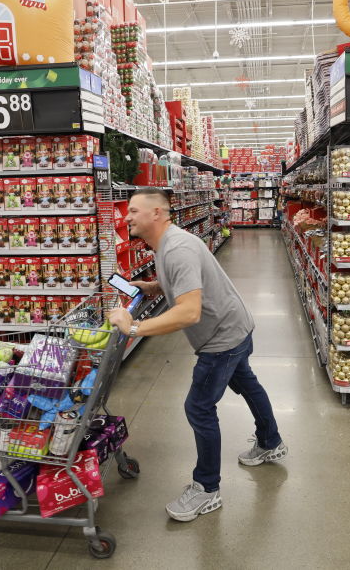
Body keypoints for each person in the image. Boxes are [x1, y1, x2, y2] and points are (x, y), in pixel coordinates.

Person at [106, 187, 287, 522]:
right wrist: (154, 286)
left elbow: (189, 312)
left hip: (221, 339)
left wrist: (134, 328)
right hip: (236, 326)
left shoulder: (176, 249)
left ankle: (207, 489)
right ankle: (270, 441)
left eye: (133, 210)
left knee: (198, 407)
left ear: (156, 213)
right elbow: (185, 281)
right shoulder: (166, 244)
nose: (126, 217)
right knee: (247, 384)